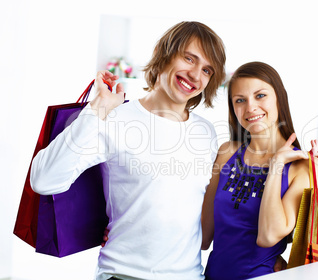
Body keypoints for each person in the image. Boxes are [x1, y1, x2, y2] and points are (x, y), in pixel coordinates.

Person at [30, 21, 226, 280]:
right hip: (123, 274)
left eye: (207, 70)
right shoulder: (115, 118)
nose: (195, 75)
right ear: (164, 54)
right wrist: (97, 110)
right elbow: (44, 180)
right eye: (189, 58)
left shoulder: (206, 132)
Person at [201, 61, 318, 280]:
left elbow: (268, 237)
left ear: (279, 96)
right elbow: (203, 237)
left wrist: (276, 165)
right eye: (240, 100)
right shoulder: (227, 153)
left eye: (260, 96)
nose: (250, 107)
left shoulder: (301, 167)